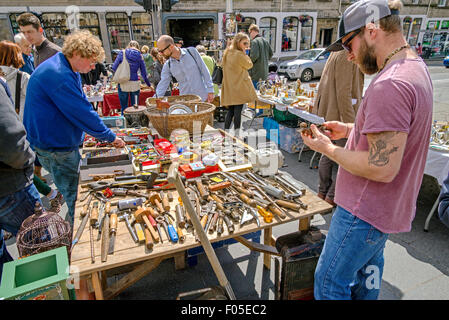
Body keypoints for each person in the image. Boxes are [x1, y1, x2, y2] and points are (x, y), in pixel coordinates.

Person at [301, 0, 433, 300]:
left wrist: (327, 149)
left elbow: (381, 166)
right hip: (380, 213)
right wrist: (351, 130)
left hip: (363, 212)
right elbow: (397, 137)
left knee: (329, 282)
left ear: (371, 31)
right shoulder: (413, 67)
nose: (348, 55)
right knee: (366, 281)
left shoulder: (391, 83)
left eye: (349, 44)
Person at [23, 30, 126, 224]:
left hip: (55, 143)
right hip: (56, 148)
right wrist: (110, 137)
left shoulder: (66, 68)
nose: (94, 66)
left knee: (74, 191)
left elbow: (79, 106)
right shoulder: (59, 74)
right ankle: (76, 240)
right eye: (92, 61)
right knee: (74, 197)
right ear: (78, 54)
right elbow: (82, 111)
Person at [0, 40, 63, 213]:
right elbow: (38, 102)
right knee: (25, 167)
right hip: (23, 126)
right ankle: (50, 193)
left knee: (24, 168)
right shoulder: (22, 77)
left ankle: (49, 193)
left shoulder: (16, 78)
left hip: (15, 131)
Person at [0, 76, 42, 281]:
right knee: (42, 247)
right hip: (9, 187)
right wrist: (29, 160)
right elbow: (11, 142)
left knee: (4, 268)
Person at [311, 50, 364, 207]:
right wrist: (351, 125)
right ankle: (331, 196)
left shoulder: (336, 53)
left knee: (328, 152)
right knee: (341, 156)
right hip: (340, 114)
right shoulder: (346, 55)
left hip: (332, 112)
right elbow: (343, 93)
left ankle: (323, 193)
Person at [156, 35, 214, 103]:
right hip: (186, 102)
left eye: (162, 51)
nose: (160, 54)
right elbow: (162, 85)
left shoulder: (192, 52)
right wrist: (155, 100)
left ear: (171, 46)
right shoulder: (168, 65)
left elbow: (204, 71)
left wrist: (210, 90)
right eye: (159, 51)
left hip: (203, 99)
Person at [220, 32, 257, 134]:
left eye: (248, 44)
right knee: (237, 112)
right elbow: (249, 65)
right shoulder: (240, 54)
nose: (247, 46)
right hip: (239, 86)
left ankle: (225, 132)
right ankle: (237, 134)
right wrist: (245, 53)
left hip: (230, 86)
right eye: (245, 43)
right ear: (238, 42)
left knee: (231, 111)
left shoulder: (227, 52)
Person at [112, 40, 152, 115]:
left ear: (129, 45)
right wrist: (149, 85)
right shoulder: (140, 56)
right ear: (138, 47)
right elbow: (144, 73)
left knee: (124, 107)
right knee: (135, 107)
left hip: (123, 82)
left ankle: (125, 123)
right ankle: (135, 123)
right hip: (135, 83)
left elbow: (114, 67)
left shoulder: (122, 53)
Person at [248, 24, 273, 89]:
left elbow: (254, 57)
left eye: (249, 33)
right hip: (264, 72)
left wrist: (247, 61)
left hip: (256, 73)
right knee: (262, 93)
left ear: (252, 31)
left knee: (256, 95)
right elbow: (271, 54)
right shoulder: (265, 41)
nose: (250, 35)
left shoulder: (254, 41)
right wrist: (264, 60)